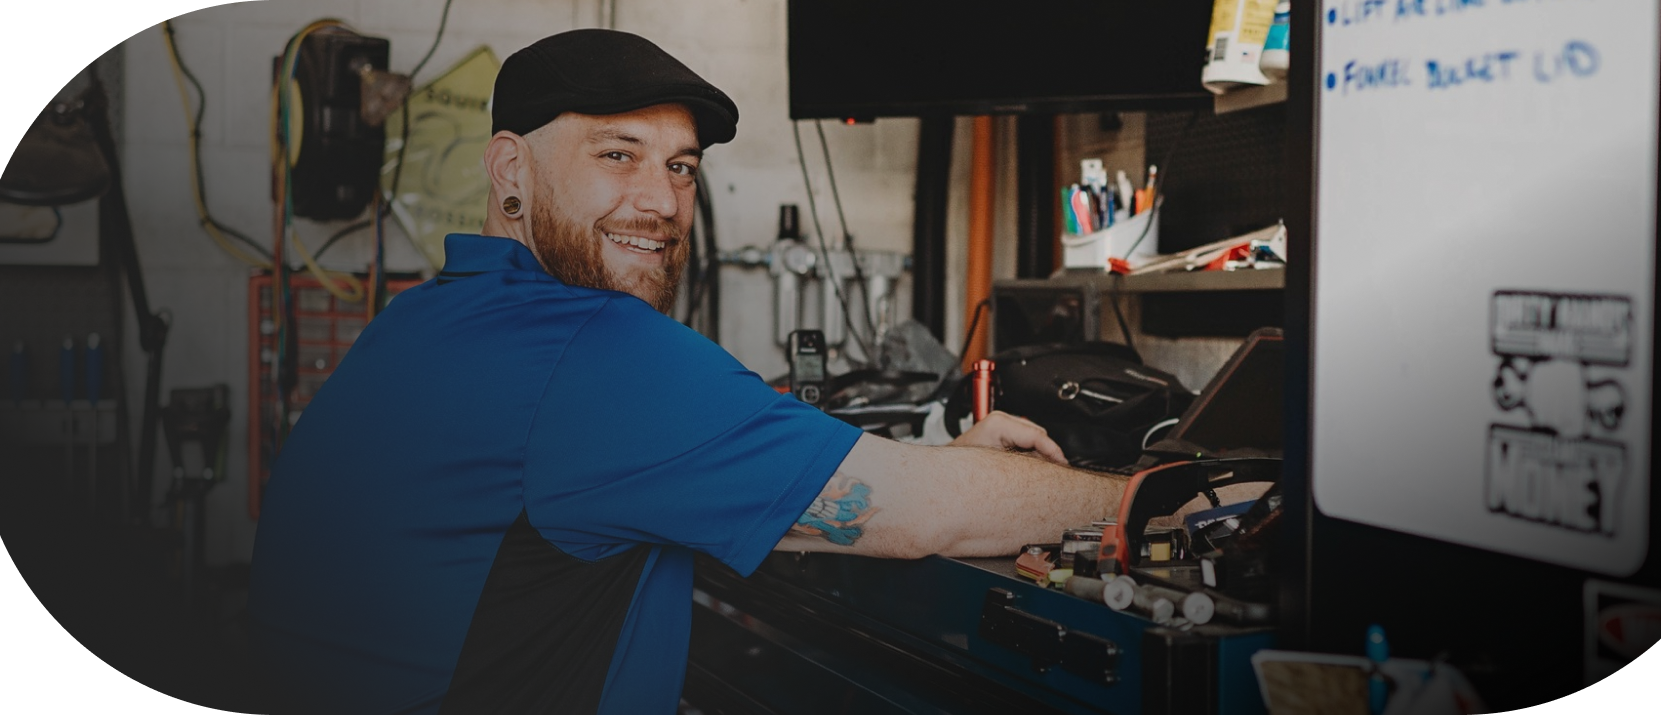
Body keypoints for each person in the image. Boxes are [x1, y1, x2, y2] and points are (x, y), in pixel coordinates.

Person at [247, 28, 1126, 715]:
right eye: (616, 154)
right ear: (510, 170)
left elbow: (815, 499)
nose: (664, 201)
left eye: (682, 169)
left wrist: (942, 466)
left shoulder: (424, 320)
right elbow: (918, 516)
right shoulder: (592, 349)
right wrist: (1144, 500)